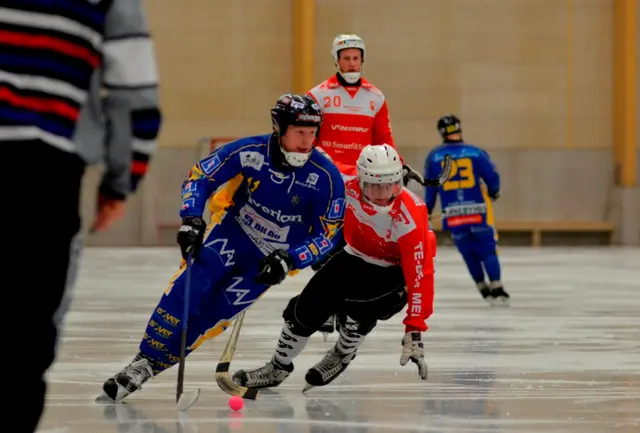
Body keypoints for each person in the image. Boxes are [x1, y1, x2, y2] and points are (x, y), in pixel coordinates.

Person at [100, 94, 347, 402]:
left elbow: (329, 235)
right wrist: (191, 217)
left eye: (312, 133)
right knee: (186, 292)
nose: (307, 141)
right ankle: (143, 357)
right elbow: (201, 175)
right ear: (279, 127)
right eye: (300, 132)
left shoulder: (326, 177)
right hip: (231, 235)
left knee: (210, 317)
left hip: (269, 261)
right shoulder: (250, 151)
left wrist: (290, 259)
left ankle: (144, 369)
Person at [1, 1, 161, 431]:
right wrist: (120, 180)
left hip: (40, 169)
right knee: (24, 337)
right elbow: (132, 92)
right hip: (40, 172)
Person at [233, 144, 435, 391]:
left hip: (393, 272)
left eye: (390, 186)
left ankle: (344, 350)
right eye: (374, 187)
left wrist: (414, 329)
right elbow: (310, 163)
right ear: (360, 181)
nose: (383, 195)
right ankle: (278, 365)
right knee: (303, 309)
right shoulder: (342, 180)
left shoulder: (411, 214)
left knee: (358, 311)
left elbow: (420, 275)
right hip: (354, 254)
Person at [307, 34, 424, 334]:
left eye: (356, 57)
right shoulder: (318, 96)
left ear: (362, 60)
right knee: (326, 239)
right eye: (345, 57)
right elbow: (308, 138)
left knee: (351, 242)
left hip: (362, 183)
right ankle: (325, 306)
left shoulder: (375, 98)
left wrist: (398, 165)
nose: (351, 63)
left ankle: (339, 307)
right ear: (336, 60)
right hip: (330, 180)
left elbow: (384, 140)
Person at [424, 115, 510, 305]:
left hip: (454, 216)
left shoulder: (434, 157)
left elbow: (430, 189)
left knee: (468, 254)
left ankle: (482, 287)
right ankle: (497, 287)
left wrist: (427, 211)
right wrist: (494, 192)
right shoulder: (475, 153)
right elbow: (492, 176)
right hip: (479, 212)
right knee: (487, 250)